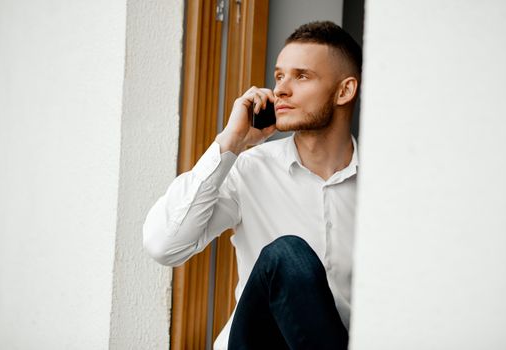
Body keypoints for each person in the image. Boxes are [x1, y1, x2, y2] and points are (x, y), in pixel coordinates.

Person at [143, 21, 362, 350]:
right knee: (286, 255)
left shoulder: (383, 190)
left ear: (344, 90)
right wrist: (232, 141)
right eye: (279, 76)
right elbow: (164, 245)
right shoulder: (248, 167)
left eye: (301, 76)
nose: (281, 90)